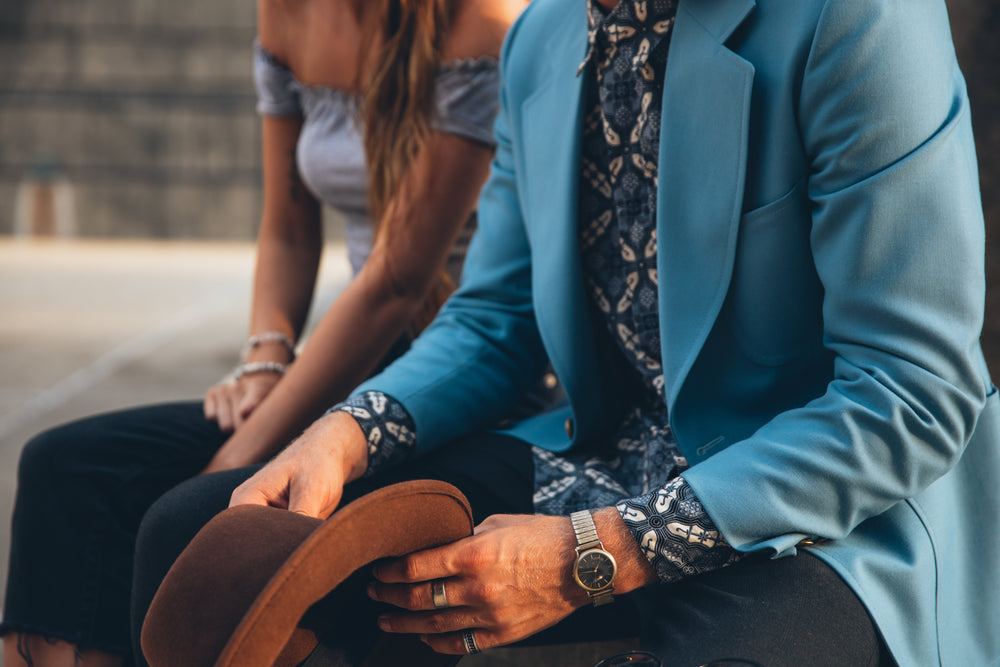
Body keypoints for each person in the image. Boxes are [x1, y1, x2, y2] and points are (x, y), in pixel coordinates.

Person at [131, 0, 1000, 665]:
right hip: (602, 458)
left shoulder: (859, 18)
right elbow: (495, 319)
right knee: (206, 540)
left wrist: (591, 555)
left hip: (833, 512)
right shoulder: (541, 37)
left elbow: (912, 391)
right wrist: (347, 433)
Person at [1, 0, 530, 665]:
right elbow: (286, 224)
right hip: (349, 355)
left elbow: (396, 283)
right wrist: (264, 362)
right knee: (63, 466)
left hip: (449, 367)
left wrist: (241, 454)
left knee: (191, 509)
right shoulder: (285, 10)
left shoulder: (476, 22)